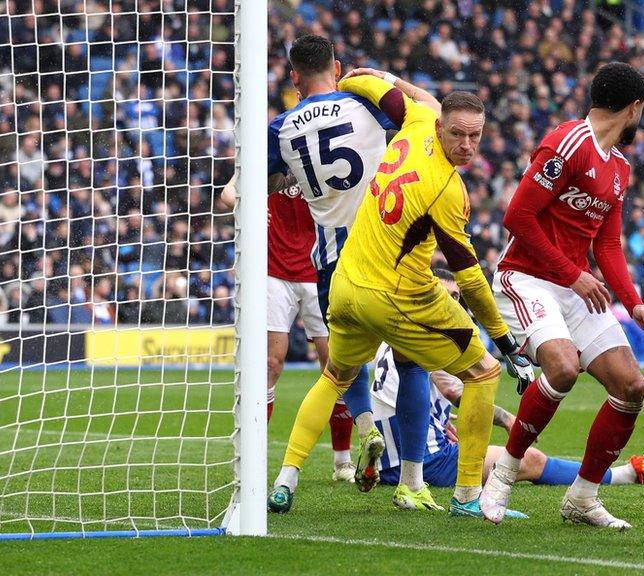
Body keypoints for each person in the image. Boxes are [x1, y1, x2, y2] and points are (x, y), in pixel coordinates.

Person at [269, 75, 533, 517]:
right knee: (484, 373)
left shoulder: (416, 118)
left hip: (345, 284)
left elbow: (378, 89)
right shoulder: (449, 191)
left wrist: (354, 77)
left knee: (336, 375)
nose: (467, 145)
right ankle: (467, 497)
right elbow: (469, 279)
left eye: (475, 136)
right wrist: (506, 342)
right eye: (458, 134)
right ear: (440, 127)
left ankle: (285, 478)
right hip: (396, 295)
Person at [481, 62, 644, 529]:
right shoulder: (567, 143)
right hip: (525, 277)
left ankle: (582, 497)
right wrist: (572, 274)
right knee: (562, 366)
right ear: (634, 107)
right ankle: (504, 473)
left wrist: (635, 302)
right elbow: (517, 217)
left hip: (573, 285)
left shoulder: (619, 168)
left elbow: (607, 243)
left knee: (631, 386)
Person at [266, 35, 445, 490]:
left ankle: (353, 437)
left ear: (293, 77)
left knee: (341, 366)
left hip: (330, 262)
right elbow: (433, 112)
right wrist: (385, 79)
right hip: (389, 252)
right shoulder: (363, 104)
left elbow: (270, 182)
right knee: (412, 366)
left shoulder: (281, 127)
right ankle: (412, 482)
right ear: (338, 65)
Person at [370, 272, 644, 490]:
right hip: (422, 459)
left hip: (390, 455)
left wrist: (437, 420)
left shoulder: (402, 329)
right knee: (531, 459)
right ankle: (625, 475)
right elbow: (453, 390)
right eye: (444, 295)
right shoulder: (436, 336)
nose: (451, 303)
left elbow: (414, 389)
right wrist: (509, 419)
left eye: (456, 297)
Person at [220, 174, 346, 480]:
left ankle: (342, 461)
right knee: (271, 363)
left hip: (320, 269)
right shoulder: (271, 149)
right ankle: (253, 455)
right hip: (274, 272)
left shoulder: (318, 149)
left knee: (334, 365)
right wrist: (245, 203)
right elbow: (227, 193)